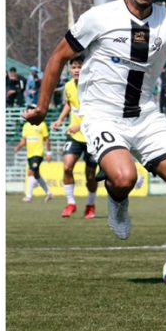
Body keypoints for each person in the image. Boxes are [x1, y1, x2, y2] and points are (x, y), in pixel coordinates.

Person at [23, 0, 166, 283]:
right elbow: (58, 56)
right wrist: (43, 107)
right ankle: (118, 201)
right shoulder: (99, 18)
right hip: (103, 116)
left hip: (146, 117)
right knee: (123, 178)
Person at [51, 54, 99, 219]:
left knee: (90, 176)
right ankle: (71, 203)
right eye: (74, 67)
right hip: (75, 137)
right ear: (70, 70)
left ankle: (90, 205)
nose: (77, 70)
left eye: (80, 67)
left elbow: (96, 111)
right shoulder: (68, 86)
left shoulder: (92, 86)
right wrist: (59, 120)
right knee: (67, 167)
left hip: (91, 136)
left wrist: (79, 125)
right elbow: (69, 104)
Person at [14, 104, 53, 203]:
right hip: (30, 154)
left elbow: (47, 139)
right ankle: (49, 193)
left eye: (31, 110)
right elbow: (23, 141)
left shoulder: (42, 124)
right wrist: (18, 147)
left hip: (38, 153)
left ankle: (29, 196)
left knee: (30, 172)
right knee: (36, 174)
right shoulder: (26, 126)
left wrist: (49, 153)